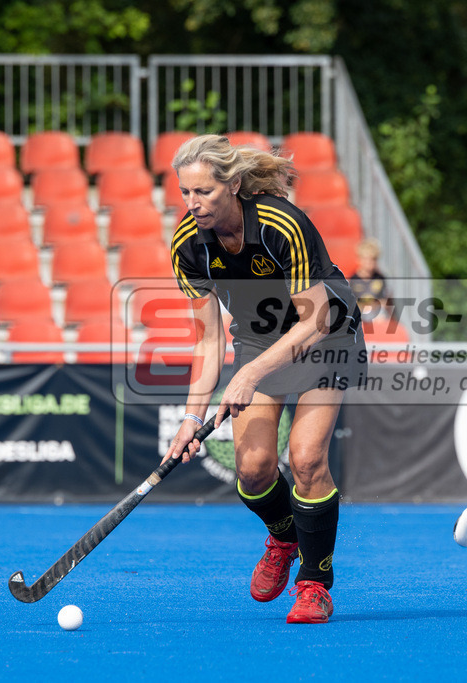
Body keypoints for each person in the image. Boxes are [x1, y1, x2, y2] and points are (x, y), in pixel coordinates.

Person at [162, 134, 366, 624]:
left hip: (327, 335)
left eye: (204, 193)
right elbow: (208, 341)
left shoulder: (282, 224)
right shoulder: (187, 245)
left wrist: (251, 372)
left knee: (307, 456)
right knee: (252, 469)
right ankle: (284, 535)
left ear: (232, 185)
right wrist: (192, 416)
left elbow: (314, 320)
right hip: (257, 338)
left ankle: (315, 583)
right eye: (186, 193)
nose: (194, 205)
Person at [348, 238, 392, 321]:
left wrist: (372, 306)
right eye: (366, 259)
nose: (369, 263)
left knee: (382, 315)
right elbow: (351, 303)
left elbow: (384, 302)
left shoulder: (380, 278)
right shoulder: (353, 280)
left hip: (375, 313)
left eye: (372, 260)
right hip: (360, 313)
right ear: (359, 259)